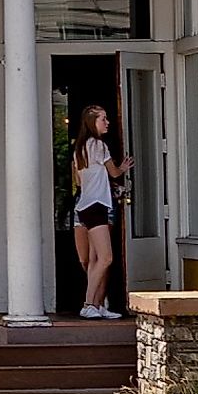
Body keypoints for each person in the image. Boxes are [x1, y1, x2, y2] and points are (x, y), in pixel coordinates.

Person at [71, 105, 130, 319]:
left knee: (95, 258)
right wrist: (123, 168)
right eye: (103, 119)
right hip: (97, 205)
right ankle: (89, 304)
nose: (107, 122)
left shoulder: (80, 148)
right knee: (105, 258)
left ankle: (96, 304)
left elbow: (78, 179)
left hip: (86, 205)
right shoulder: (98, 145)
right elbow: (113, 172)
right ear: (92, 122)